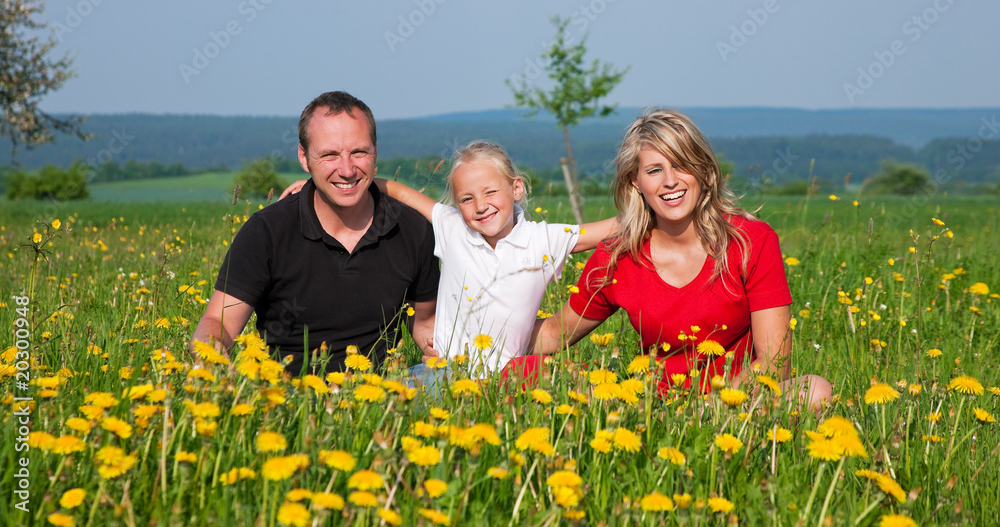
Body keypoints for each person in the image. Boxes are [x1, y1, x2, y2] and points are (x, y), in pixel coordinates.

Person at [529, 108, 831, 409]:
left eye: (682, 165)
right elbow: (556, 334)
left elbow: (774, 363)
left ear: (704, 171)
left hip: (734, 404)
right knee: (531, 374)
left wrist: (705, 411)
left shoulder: (751, 241)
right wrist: (487, 333)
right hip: (649, 406)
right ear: (636, 182)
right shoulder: (617, 254)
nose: (670, 181)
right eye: (654, 170)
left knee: (815, 390)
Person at [282, 140, 618, 378]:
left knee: (559, 380)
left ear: (516, 188)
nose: (480, 206)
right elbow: (398, 191)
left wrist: (657, 207)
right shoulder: (453, 227)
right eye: (467, 198)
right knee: (378, 402)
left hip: (506, 378)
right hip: (442, 371)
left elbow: (608, 228)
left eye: (490, 192)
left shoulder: (544, 239)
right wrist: (322, 188)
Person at [190, 91, 440, 376]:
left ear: (375, 152)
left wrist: (445, 352)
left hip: (384, 392)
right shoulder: (267, 231)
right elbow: (218, 321)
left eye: (359, 152)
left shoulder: (413, 230)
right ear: (304, 157)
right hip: (286, 391)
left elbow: (424, 322)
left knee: (443, 379)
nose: (347, 170)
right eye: (329, 155)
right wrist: (216, 362)